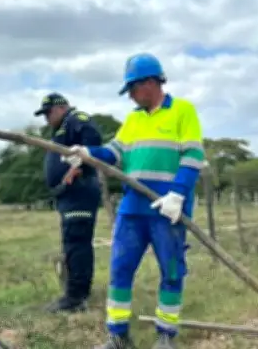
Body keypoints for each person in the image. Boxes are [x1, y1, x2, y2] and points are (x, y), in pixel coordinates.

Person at [61, 53, 204, 349]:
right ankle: (118, 337)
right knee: (120, 270)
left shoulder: (182, 111)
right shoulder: (133, 120)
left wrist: (177, 195)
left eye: (132, 90)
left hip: (168, 210)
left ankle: (166, 337)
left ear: (150, 83)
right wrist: (85, 153)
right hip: (132, 209)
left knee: (172, 272)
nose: (130, 98)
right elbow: (114, 153)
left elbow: (193, 155)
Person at [33, 92, 104, 313]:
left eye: (48, 113)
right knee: (72, 243)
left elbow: (93, 143)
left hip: (80, 190)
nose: (46, 118)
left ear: (61, 108)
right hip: (69, 195)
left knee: (77, 243)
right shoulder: (60, 129)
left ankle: (76, 297)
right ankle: (75, 291)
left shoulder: (76, 119)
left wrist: (78, 167)